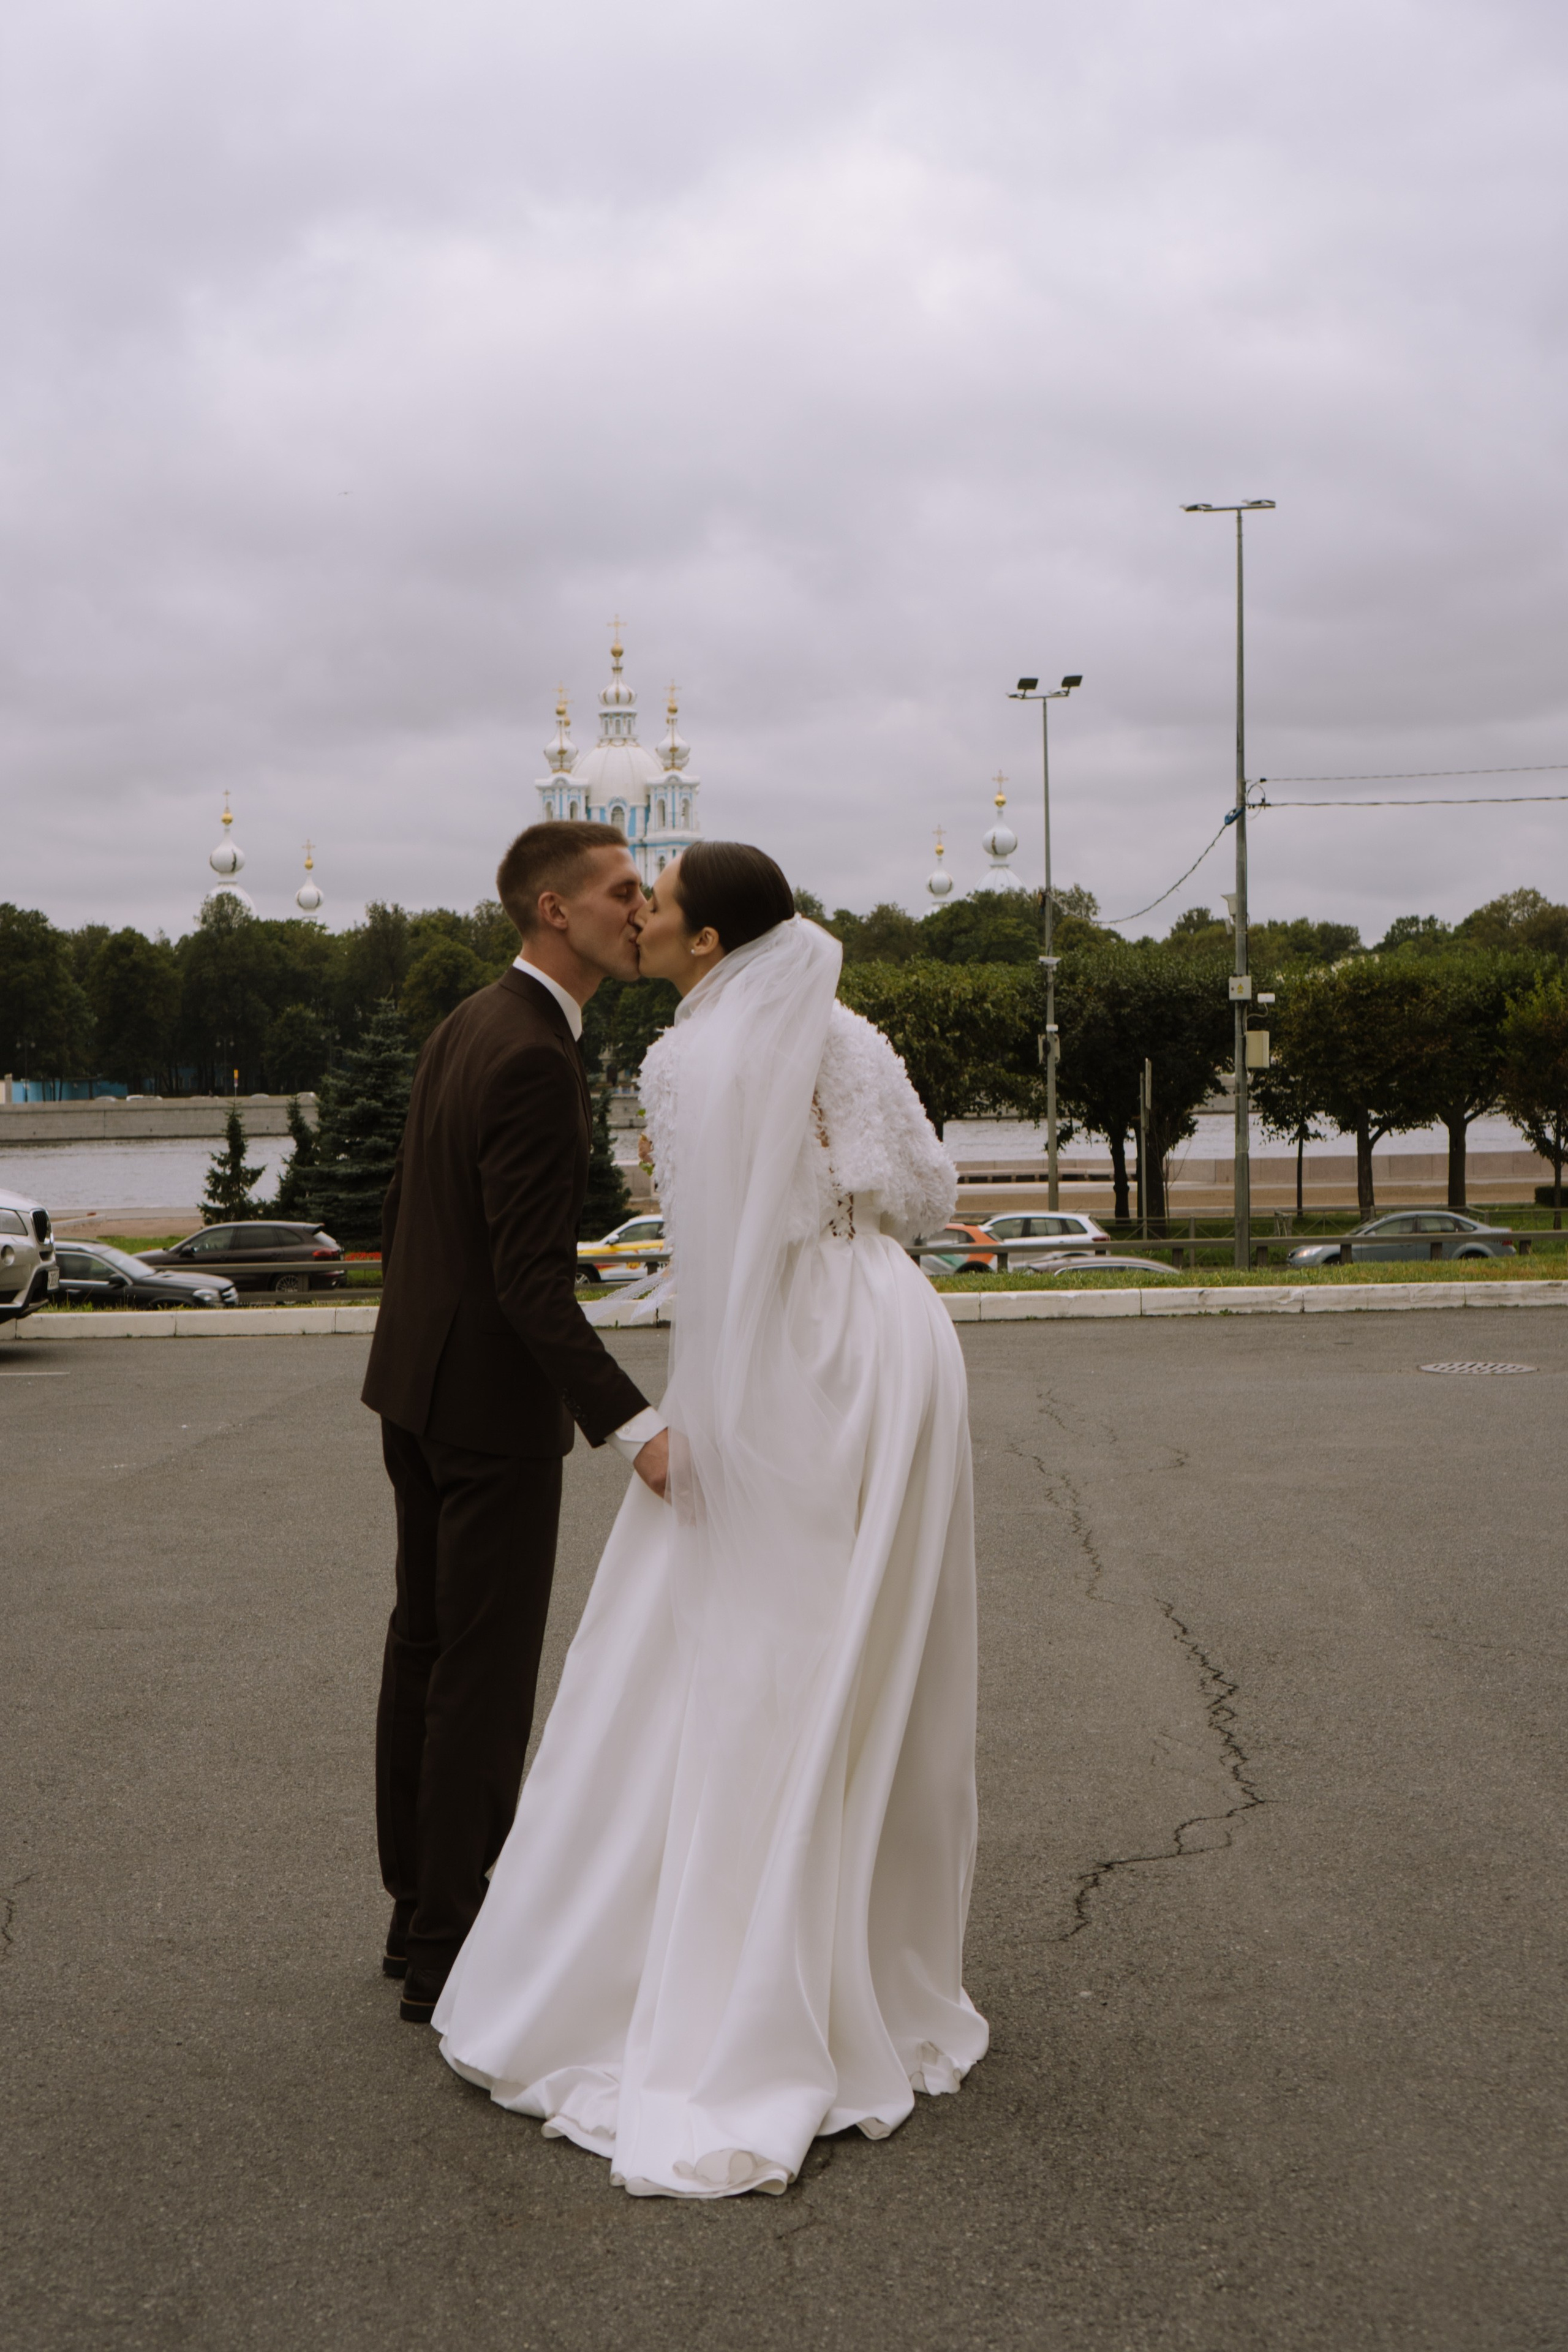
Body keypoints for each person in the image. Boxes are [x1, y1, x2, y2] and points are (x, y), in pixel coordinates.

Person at [432, 840, 988, 2197]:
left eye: (661, 907)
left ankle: (728, 1964)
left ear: (702, 944)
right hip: (899, 1345)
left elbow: (706, 1246)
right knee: (870, 1649)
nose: (644, 919)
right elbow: (928, 1196)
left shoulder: (678, 1063)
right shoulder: (850, 1032)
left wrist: (688, 1408)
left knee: (737, 1640)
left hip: (784, 1354)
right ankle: (866, 1953)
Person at [362, 821, 671, 2026]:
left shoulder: (470, 1021)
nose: (639, 910)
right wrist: (633, 1425)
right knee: (479, 1684)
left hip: (415, 1390)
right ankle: (450, 1950)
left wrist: (410, 1359)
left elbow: (405, 1207)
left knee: (426, 1657)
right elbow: (530, 1281)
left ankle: (411, 1921)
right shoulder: (537, 1053)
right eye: (622, 892)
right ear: (556, 911)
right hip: (487, 1411)